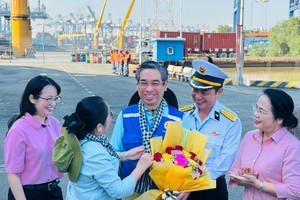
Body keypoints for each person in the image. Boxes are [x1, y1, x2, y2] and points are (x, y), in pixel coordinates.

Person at [110, 60, 189, 199]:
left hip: (165, 193)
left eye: (155, 83)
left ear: (165, 85)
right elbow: (111, 154)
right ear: (137, 85)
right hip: (129, 192)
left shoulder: (179, 119)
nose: (149, 89)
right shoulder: (126, 115)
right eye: (144, 83)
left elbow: (190, 159)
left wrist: (187, 188)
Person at [53, 96, 153, 200]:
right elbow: (119, 191)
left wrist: (124, 156)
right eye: (110, 115)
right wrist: (141, 167)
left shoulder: (80, 136)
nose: (111, 117)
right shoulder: (95, 153)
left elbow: (99, 164)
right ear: (99, 127)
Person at [180, 60, 242, 200]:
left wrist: (194, 183)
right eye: (195, 90)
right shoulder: (183, 115)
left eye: (204, 92)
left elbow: (224, 161)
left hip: (211, 188)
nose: (198, 96)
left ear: (219, 92)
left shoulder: (230, 121)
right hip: (179, 184)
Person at [229, 88, 300, 199]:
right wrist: (242, 175)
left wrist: (258, 184)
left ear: (280, 118)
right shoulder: (249, 137)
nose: (256, 114)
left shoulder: (292, 146)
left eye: (262, 111)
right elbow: (234, 170)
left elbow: (295, 190)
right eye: (256, 108)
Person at [4, 75, 63, 200]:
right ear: (32, 98)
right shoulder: (18, 130)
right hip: (28, 193)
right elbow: (13, 174)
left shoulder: (54, 123)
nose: (53, 103)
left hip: (54, 191)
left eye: (56, 98)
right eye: (49, 99)